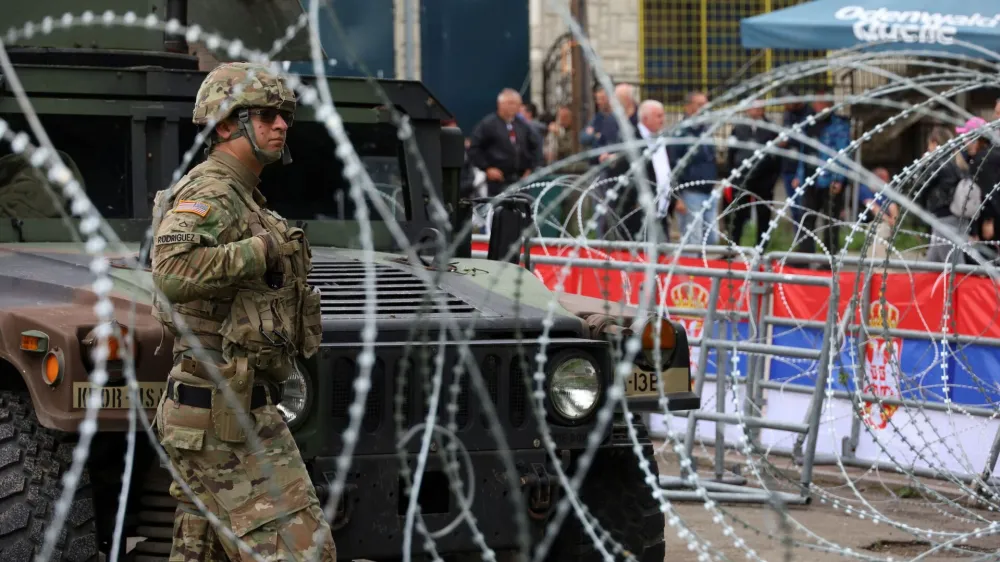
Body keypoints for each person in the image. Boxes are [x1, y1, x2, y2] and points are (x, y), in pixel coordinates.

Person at [149, 62, 335, 561]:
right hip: (221, 413)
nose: (282, 125)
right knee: (302, 552)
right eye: (267, 115)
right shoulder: (213, 192)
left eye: (285, 116)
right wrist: (262, 250)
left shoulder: (242, 195)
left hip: (226, 406)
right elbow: (171, 272)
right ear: (227, 123)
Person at [792, 92, 852, 256]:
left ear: (828, 105)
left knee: (830, 221)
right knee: (806, 218)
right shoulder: (810, 123)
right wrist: (799, 175)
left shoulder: (839, 125)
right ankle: (804, 255)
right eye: (815, 103)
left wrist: (839, 179)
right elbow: (804, 150)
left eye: (820, 103)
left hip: (830, 180)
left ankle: (829, 258)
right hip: (810, 178)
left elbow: (843, 153)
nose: (816, 106)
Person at [605, 99, 672, 240]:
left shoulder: (663, 139)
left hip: (661, 213)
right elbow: (621, 174)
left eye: (663, 115)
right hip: (637, 214)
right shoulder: (630, 140)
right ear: (645, 118)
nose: (663, 120)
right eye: (658, 116)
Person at [725, 101, 781, 248]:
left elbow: (778, 156)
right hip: (742, 179)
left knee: (763, 214)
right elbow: (731, 152)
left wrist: (772, 178)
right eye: (752, 108)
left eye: (758, 108)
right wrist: (732, 174)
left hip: (764, 180)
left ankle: (760, 248)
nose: (755, 111)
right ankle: (733, 246)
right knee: (738, 213)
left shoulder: (770, 128)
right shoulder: (739, 127)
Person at [467, 88, 541, 198]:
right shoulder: (488, 124)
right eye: (511, 103)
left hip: (521, 181)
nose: (514, 107)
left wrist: (530, 169)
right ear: (500, 104)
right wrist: (487, 168)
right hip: (498, 182)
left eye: (517, 104)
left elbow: (535, 147)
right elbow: (474, 148)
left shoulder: (523, 125)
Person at [668, 91, 720, 245]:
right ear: (688, 107)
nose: (705, 109)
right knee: (693, 241)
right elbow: (672, 166)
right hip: (690, 193)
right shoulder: (680, 133)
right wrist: (677, 197)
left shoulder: (706, 130)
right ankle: (689, 261)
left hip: (709, 191)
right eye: (700, 105)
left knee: (711, 239)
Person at [915, 125, 967, 263]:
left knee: (954, 264)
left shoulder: (938, 164)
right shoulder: (958, 162)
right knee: (933, 264)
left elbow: (919, 186)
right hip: (955, 216)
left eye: (929, 145)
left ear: (934, 143)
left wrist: (923, 164)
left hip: (944, 218)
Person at [856, 167, 899, 259]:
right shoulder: (865, 189)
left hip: (885, 221)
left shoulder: (885, 191)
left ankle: (878, 260)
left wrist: (894, 221)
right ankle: (876, 261)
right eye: (886, 179)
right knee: (878, 230)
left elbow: (893, 206)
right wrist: (890, 221)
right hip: (870, 221)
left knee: (882, 230)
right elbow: (873, 208)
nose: (888, 181)